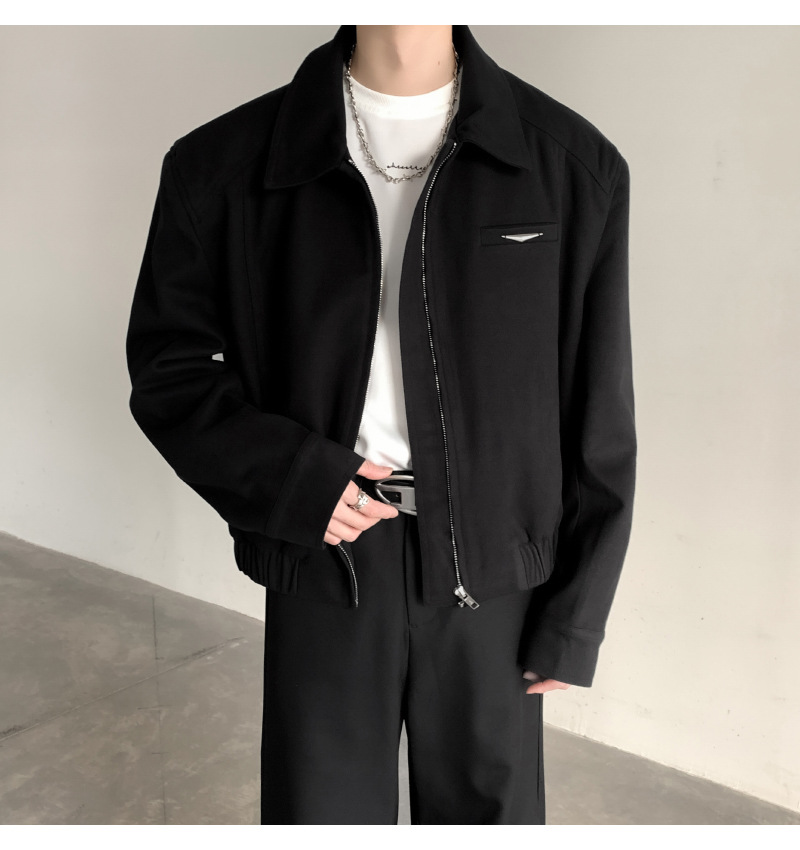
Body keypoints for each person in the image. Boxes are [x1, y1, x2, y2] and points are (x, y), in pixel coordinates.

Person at [126, 24, 636, 825]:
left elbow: (597, 409)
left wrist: (576, 615)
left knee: (488, 820)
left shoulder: (570, 167)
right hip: (327, 556)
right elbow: (170, 371)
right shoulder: (223, 165)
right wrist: (295, 481)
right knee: (320, 816)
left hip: (492, 575)